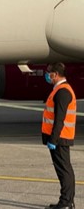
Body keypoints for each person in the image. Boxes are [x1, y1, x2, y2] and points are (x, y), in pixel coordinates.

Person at [42, 63, 76, 209]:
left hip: (60, 138)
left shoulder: (62, 92)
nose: (47, 76)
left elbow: (59, 119)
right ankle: (67, 201)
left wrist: (53, 139)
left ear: (55, 74)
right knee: (64, 169)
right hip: (60, 137)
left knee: (64, 170)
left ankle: (66, 202)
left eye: (49, 73)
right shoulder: (60, 90)